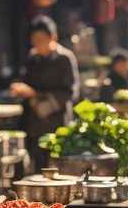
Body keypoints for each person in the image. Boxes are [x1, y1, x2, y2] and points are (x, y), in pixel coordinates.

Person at [11, 15, 80, 170]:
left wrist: (35, 94)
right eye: (34, 39)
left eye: (41, 39)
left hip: (57, 121)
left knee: (57, 166)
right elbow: (26, 82)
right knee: (37, 165)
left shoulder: (65, 58)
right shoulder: (33, 58)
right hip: (33, 122)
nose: (37, 43)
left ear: (53, 37)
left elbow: (70, 92)